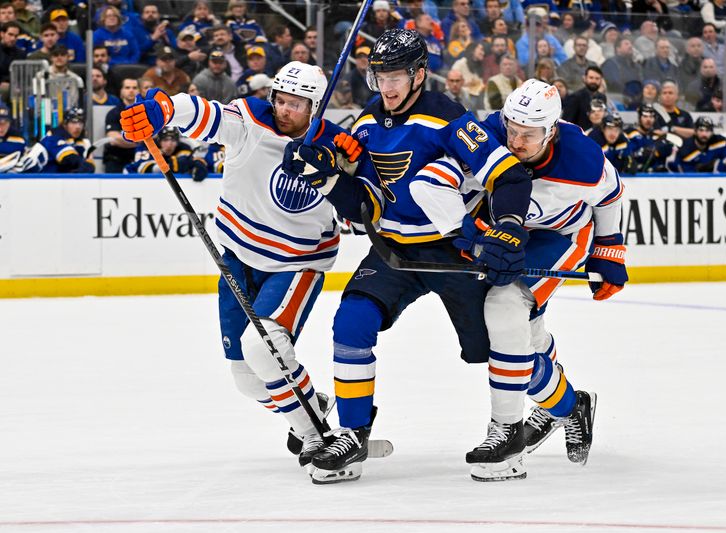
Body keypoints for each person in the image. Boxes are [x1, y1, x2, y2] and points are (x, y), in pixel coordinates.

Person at [283, 28, 532, 484]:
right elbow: (367, 206)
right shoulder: (366, 123)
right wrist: (326, 180)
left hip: (453, 250)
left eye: (396, 75)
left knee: (501, 345)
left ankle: (549, 410)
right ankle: (352, 433)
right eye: (380, 75)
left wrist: (510, 227)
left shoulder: (449, 117)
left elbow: (511, 177)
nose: (388, 86)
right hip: (395, 252)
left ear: (419, 74)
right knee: (351, 322)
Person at [118, 61, 362, 470]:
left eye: (297, 104)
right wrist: (163, 111)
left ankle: (321, 437)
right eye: (280, 100)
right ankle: (312, 406)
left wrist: (355, 169)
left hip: (296, 263)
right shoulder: (249, 119)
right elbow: (204, 114)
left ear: (316, 107)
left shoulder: (336, 146)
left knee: (262, 348)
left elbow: (360, 212)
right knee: (245, 378)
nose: (285, 110)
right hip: (238, 259)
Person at [472, 78, 623, 472]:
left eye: (529, 134)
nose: (516, 142)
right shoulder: (489, 134)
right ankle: (569, 405)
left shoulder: (581, 158)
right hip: (511, 232)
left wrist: (609, 249)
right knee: (523, 330)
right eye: (513, 130)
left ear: (552, 130)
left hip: (563, 234)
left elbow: (610, 194)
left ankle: (508, 433)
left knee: (505, 308)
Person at [15, 107, 94, 173]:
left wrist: (86, 166)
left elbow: (89, 166)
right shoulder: (53, 136)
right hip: (29, 176)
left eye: (80, 123)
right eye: (73, 122)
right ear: (65, 124)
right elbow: (69, 160)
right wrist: (84, 165)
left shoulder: (82, 141)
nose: (78, 127)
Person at [124, 126, 207, 180]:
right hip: (134, 181)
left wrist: (198, 163)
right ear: (159, 141)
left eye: (173, 140)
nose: (169, 143)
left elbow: (187, 162)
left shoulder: (183, 147)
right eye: (166, 140)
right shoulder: (147, 146)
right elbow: (141, 168)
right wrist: (169, 166)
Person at [103, 78, 140, 172]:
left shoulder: (145, 113)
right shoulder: (113, 113)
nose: (131, 90)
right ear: (122, 91)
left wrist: (125, 140)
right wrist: (140, 140)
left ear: (139, 91)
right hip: (116, 159)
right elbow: (114, 139)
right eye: (127, 87)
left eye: (134, 88)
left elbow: (154, 136)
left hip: (138, 159)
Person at [626, 103, 674, 172]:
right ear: (639, 118)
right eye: (645, 116)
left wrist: (659, 150)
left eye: (651, 117)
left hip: (655, 178)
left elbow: (667, 152)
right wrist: (641, 153)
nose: (648, 119)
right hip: (634, 177)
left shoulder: (658, 136)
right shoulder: (629, 134)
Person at [561, 66, 606, 131]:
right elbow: (566, 123)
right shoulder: (575, 97)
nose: (594, 81)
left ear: (601, 80)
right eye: (591, 78)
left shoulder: (602, 97)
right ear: (585, 78)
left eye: (597, 78)